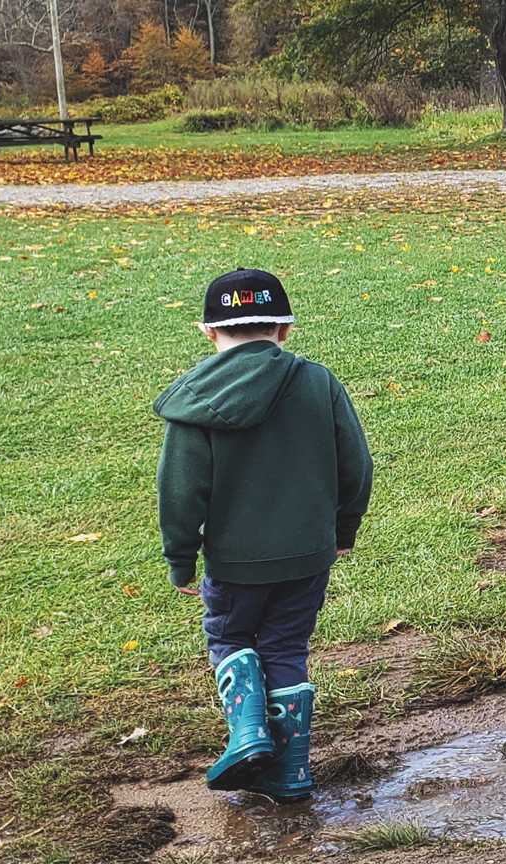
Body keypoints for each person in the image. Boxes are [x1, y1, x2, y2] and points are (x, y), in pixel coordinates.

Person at [156, 268, 373, 803]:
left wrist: (181, 558)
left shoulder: (194, 402)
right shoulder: (317, 381)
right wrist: (342, 529)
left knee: (231, 638)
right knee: (285, 645)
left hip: (234, 563)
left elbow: (180, 491)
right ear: (284, 329)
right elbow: (358, 465)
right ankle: (291, 769)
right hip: (308, 555)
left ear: (208, 332)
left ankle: (248, 734)